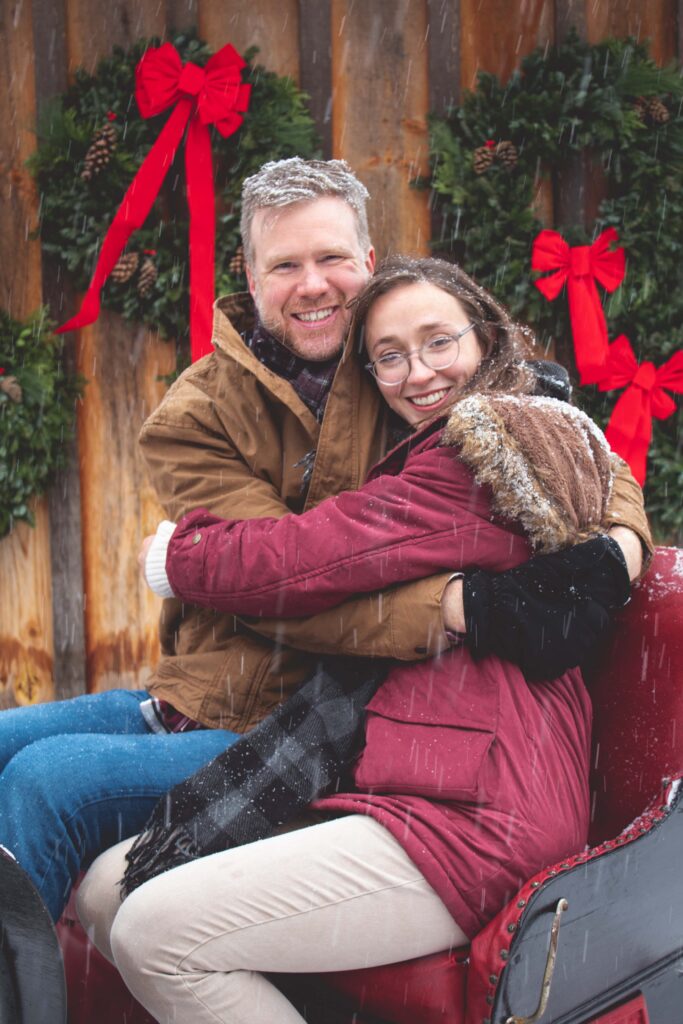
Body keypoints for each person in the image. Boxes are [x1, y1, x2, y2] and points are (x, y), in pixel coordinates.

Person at [0, 159, 648, 923]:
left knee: (47, 779)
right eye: (285, 265)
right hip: (211, 690)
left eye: (332, 258)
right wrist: (455, 606)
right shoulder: (197, 412)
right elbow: (275, 582)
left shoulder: (410, 361)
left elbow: (571, 446)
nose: (312, 284)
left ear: (368, 262)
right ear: (247, 273)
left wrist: (619, 551)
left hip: (313, 716)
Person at [79, 256, 624, 1024]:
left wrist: (178, 557)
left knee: (155, 933)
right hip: (392, 781)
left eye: (439, 342)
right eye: (391, 356)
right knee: (107, 885)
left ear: (487, 335)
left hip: (480, 810)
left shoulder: (488, 448)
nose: (419, 373)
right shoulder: (449, 446)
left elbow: (306, 557)